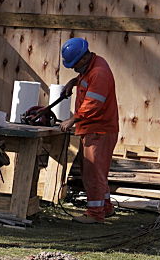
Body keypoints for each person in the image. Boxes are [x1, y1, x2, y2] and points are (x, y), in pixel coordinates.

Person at [50, 34, 118, 220]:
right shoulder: (93, 65)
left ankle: (95, 214)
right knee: (98, 172)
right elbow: (86, 80)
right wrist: (74, 82)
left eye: (75, 65)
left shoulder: (99, 73)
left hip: (98, 130)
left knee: (93, 173)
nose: (74, 69)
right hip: (97, 128)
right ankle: (106, 207)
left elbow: (93, 104)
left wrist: (73, 120)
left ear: (85, 57)